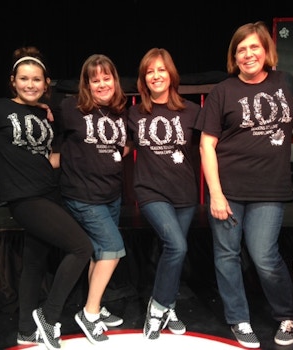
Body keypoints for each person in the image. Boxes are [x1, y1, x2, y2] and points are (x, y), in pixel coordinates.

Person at [195, 21, 293, 348]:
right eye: (241, 49)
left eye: (253, 47)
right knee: (227, 255)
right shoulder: (223, 91)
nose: (247, 54)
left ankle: (289, 315)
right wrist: (215, 195)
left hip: (270, 190)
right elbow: (207, 146)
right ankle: (239, 319)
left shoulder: (286, 83)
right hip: (228, 191)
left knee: (264, 255)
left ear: (266, 50)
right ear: (234, 56)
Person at [0, 46, 94, 350]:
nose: (30, 84)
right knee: (81, 247)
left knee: (34, 262)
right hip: (24, 198)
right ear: (13, 81)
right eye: (24, 79)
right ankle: (49, 315)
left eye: (36, 79)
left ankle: (24, 330)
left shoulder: (46, 115)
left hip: (49, 191)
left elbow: (46, 157)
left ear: (46, 84)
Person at [54, 54, 128, 345]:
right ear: (86, 84)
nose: (101, 84)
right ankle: (89, 313)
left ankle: (94, 306)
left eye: (106, 77)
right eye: (94, 79)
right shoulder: (69, 107)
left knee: (100, 253)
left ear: (114, 80)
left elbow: (126, 142)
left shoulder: (120, 111)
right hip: (83, 195)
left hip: (111, 194)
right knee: (112, 249)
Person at [127, 47, 200, 340]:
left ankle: (169, 307)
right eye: (149, 71)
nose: (156, 75)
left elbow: (215, 144)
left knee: (174, 251)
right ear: (144, 79)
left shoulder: (192, 110)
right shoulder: (134, 112)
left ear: (171, 74)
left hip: (184, 193)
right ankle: (157, 308)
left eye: (161, 70)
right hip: (150, 190)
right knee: (177, 246)